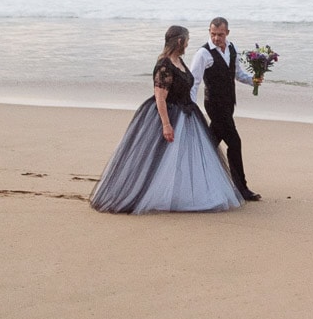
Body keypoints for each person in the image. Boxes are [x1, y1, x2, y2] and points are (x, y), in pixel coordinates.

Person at [88, 25, 244, 214]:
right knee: (160, 158)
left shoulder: (179, 61)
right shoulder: (164, 65)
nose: (187, 44)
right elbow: (160, 97)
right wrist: (166, 124)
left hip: (187, 113)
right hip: (170, 115)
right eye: (186, 40)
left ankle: (182, 193)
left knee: (183, 158)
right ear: (179, 41)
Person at [190, 16, 263, 201]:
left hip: (229, 104)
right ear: (209, 32)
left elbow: (237, 73)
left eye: (220, 35)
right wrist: (190, 105)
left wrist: (252, 80)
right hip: (214, 106)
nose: (216, 38)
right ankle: (242, 188)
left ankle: (191, 177)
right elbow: (194, 82)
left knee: (209, 144)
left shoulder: (232, 48)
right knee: (235, 143)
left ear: (227, 33)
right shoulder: (203, 54)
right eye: (213, 34)